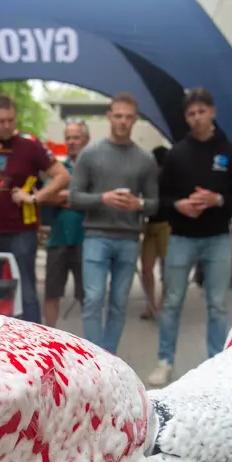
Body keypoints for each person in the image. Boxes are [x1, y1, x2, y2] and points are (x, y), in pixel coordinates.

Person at [148, 88, 232, 387]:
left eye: (201, 112)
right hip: (181, 237)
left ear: (212, 112)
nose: (197, 118)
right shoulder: (176, 154)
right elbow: (161, 199)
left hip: (217, 238)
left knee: (217, 304)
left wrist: (217, 200)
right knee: (172, 302)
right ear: (186, 117)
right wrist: (179, 205)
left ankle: (216, 364)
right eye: (191, 114)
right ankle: (165, 361)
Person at [0, 93, 70, 323]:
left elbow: (62, 176)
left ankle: (32, 337)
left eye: (11, 120)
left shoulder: (30, 145)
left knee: (26, 290)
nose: (7, 125)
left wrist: (35, 197)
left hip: (20, 232)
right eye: (1, 121)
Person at [68, 93, 158, 354]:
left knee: (119, 303)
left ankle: (110, 356)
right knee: (94, 299)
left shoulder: (145, 159)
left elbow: (154, 203)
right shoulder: (90, 154)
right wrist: (103, 198)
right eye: (118, 116)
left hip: (129, 238)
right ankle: (95, 359)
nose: (123, 121)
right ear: (109, 117)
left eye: (128, 117)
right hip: (96, 235)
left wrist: (138, 204)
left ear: (135, 119)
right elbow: (74, 197)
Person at [40, 119, 90, 327]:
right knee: (51, 294)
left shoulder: (93, 168)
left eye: (76, 137)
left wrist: (65, 197)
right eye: (68, 138)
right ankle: (48, 339)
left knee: (88, 296)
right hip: (58, 238)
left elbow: (98, 198)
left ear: (86, 140)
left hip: (87, 240)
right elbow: (45, 196)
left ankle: (92, 342)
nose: (71, 142)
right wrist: (79, 199)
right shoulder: (58, 168)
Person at [140, 145, 171, 320]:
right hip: (151, 224)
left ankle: (162, 304)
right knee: (146, 267)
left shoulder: (170, 178)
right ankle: (151, 304)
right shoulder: (149, 178)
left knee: (166, 268)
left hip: (167, 224)